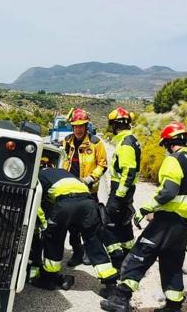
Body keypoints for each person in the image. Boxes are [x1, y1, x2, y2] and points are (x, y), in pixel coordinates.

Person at [101, 123, 187, 312]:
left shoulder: (174, 160)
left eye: (165, 145)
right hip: (182, 226)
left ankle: (120, 299)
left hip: (165, 221)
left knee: (138, 255)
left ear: (169, 142)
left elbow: (168, 192)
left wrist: (145, 209)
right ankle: (173, 305)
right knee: (172, 264)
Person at [30, 168, 118, 290]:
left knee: (53, 240)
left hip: (65, 204)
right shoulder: (65, 173)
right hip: (88, 203)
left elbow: (37, 204)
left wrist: (44, 224)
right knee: (94, 242)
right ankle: (111, 285)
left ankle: (48, 279)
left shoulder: (38, 176)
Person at [61, 108, 109, 266]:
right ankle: (77, 252)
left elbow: (103, 165)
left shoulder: (96, 143)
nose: (78, 129)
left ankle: (89, 252)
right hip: (70, 191)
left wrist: (91, 178)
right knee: (72, 226)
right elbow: (63, 161)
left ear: (86, 126)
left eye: (81, 126)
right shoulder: (67, 141)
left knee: (89, 225)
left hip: (88, 191)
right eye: (75, 126)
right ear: (72, 127)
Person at [105, 107, 141, 260]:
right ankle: (129, 254)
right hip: (126, 190)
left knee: (108, 223)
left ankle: (117, 258)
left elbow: (129, 171)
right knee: (124, 224)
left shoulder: (126, 143)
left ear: (115, 125)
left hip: (120, 190)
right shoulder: (131, 140)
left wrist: (119, 195)